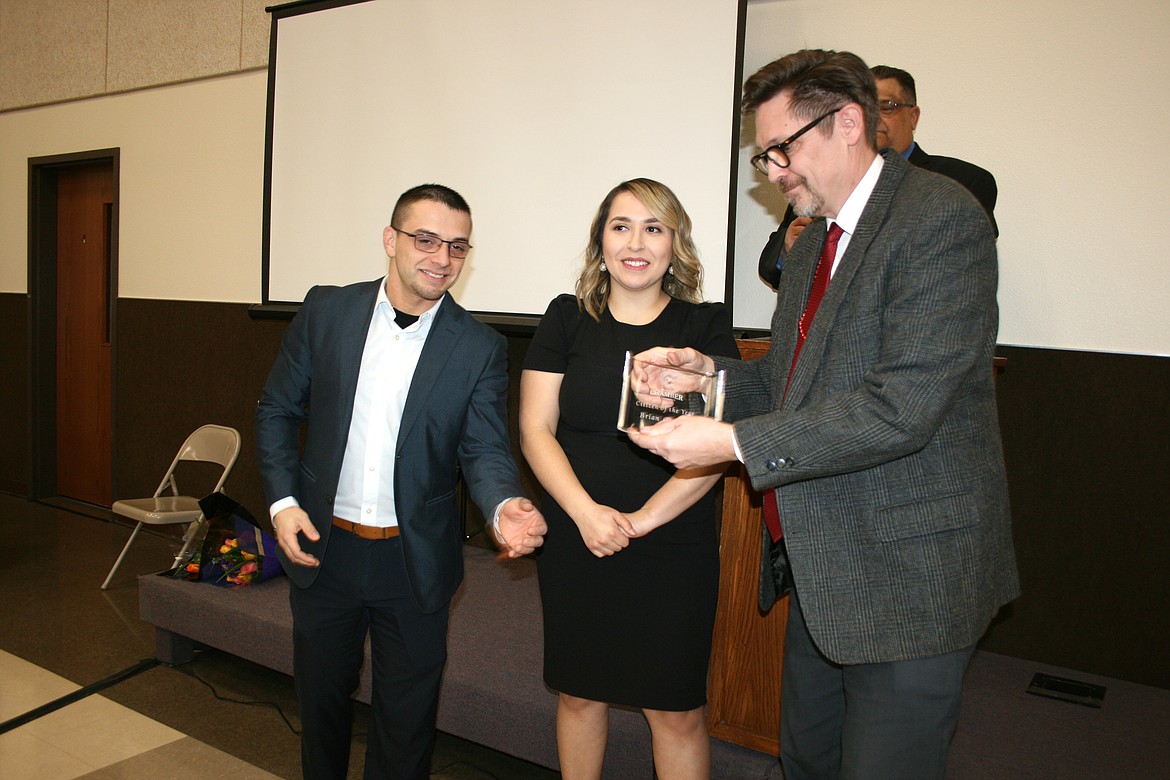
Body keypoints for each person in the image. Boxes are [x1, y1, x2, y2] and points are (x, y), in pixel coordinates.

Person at [627, 50, 1019, 779]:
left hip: (910, 576)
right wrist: (707, 376)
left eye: (783, 149)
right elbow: (788, 379)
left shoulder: (939, 218)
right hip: (823, 564)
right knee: (807, 762)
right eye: (763, 155)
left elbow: (902, 408)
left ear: (846, 122)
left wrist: (731, 440)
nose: (772, 173)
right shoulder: (810, 245)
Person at [255, 183, 547, 780]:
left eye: (458, 247)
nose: (442, 258)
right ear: (391, 240)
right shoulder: (327, 311)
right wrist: (283, 503)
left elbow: (484, 448)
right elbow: (278, 410)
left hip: (414, 563)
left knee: (407, 725)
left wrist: (503, 505)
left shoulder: (479, 347)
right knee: (321, 707)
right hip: (322, 548)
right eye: (426, 239)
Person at [519, 179, 737, 779]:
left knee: (675, 711)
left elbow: (719, 451)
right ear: (602, 241)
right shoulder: (567, 318)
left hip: (672, 542)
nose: (635, 242)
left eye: (653, 228)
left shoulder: (706, 328)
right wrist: (587, 515)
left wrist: (640, 522)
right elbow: (537, 429)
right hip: (576, 531)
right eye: (620, 226)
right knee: (579, 693)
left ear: (675, 244)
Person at [756, 63, 998, 289]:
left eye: (886, 107)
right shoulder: (821, 181)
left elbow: (954, 270)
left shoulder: (962, 182)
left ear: (913, 117)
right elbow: (771, 270)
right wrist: (788, 251)